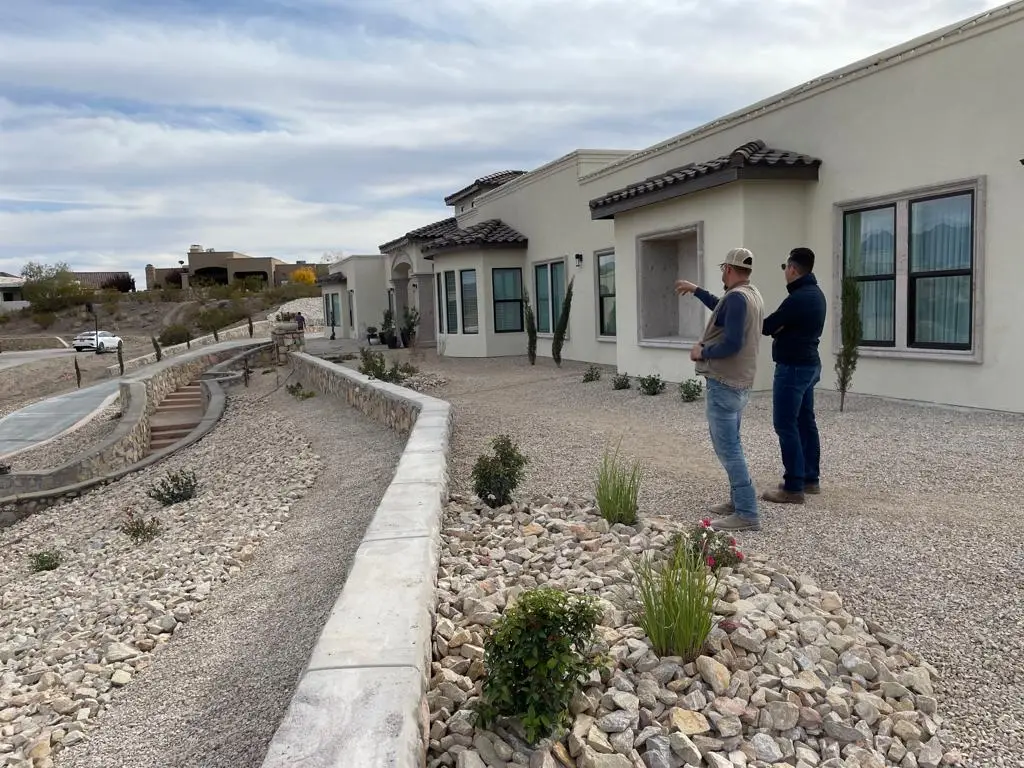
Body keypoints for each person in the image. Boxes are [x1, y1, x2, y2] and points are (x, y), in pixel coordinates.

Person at [675, 247, 765, 532]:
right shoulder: (750, 295)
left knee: (728, 449)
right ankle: (737, 501)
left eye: (722, 269)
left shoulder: (738, 298)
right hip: (740, 382)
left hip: (725, 383)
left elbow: (733, 342)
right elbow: (722, 307)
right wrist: (697, 290)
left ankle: (747, 512)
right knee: (732, 443)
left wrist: (702, 351)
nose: (721, 274)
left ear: (728, 269)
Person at [760, 247, 827, 504]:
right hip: (809, 365)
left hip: (793, 368)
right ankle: (810, 479)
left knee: (785, 424)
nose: (784, 272)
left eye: (784, 268)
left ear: (793, 269)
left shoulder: (798, 298)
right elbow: (780, 325)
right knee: (804, 422)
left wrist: (779, 330)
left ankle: (793, 487)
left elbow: (768, 326)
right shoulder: (816, 295)